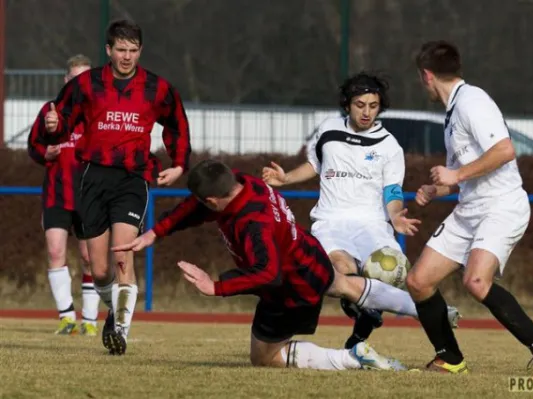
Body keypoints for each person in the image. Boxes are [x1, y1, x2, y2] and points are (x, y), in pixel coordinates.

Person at [114, 159, 431, 370]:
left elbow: (267, 273)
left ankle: (350, 357)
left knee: (264, 357)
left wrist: (217, 287)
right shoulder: (242, 183)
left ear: (212, 200)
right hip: (309, 256)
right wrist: (157, 231)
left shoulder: (251, 223)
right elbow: (194, 209)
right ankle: (430, 309)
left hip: (290, 288)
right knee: (346, 285)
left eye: (203, 202)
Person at [262, 72, 460, 349]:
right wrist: (285, 178)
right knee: (338, 270)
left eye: (373, 105)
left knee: (384, 277)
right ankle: (413, 311)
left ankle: (364, 331)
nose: (366, 112)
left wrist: (394, 215)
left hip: (372, 225)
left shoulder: (389, 145)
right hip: (330, 222)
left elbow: (392, 189)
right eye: (360, 105)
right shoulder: (328, 129)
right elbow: (314, 165)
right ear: (347, 104)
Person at [405, 40, 533, 376]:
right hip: (470, 208)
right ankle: (450, 357)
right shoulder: (453, 112)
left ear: (427, 75)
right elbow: (462, 174)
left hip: (501, 206)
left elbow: (505, 151)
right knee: (418, 281)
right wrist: (437, 188)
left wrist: (456, 173)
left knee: (476, 281)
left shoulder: (472, 102)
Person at [41, 19, 192, 355]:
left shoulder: (157, 88)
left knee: (123, 257)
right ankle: (113, 312)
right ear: (108, 51)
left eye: (133, 50)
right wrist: (55, 124)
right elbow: (61, 119)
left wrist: (179, 163)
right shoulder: (86, 84)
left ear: (140, 51)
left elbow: (177, 123)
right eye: (121, 50)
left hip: (132, 178)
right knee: (99, 270)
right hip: (92, 177)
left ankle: (120, 331)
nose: (127, 56)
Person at [27, 54, 100, 336]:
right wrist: (46, 152)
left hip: (89, 195)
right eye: (75, 79)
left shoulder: (98, 112)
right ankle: (67, 317)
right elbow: (34, 146)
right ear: (66, 80)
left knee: (89, 258)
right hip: (57, 194)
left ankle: (90, 321)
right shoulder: (50, 110)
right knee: (55, 251)